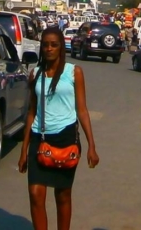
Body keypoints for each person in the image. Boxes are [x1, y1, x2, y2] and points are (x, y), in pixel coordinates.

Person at [18, 27, 99, 230]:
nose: (49, 49)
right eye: (45, 45)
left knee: (62, 195)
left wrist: (91, 146)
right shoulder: (35, 74)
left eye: (54, 44)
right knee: (35, 194)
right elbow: (31, 112)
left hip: (66, 138)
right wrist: (23, 151)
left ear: (61, 47)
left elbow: (82, 110)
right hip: (40, 137)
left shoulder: (74, 72)